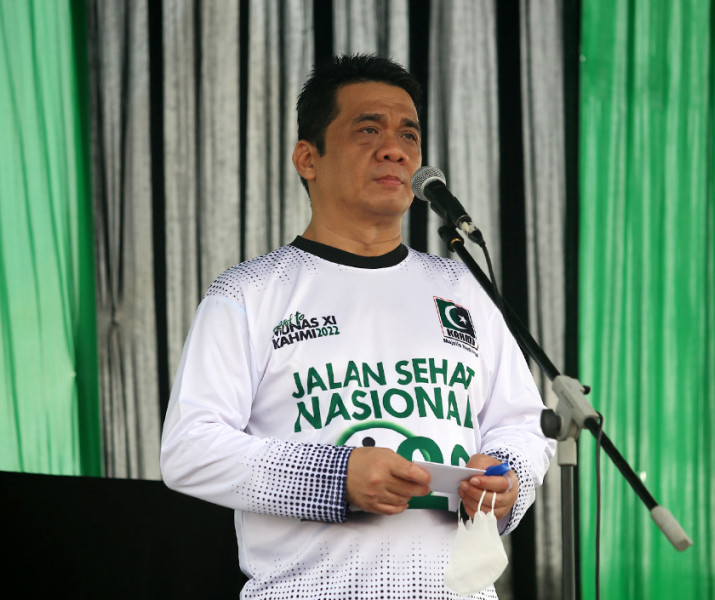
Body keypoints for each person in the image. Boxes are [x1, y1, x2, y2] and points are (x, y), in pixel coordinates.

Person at [160, 54, 555, 599]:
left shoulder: (464, 287)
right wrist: (336, 476)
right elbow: (190, 448)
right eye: (368, 129)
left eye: (408, 134)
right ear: (308, 158)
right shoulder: (249, 292)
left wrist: (506, 475)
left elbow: (524, 424)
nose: (395, 149)